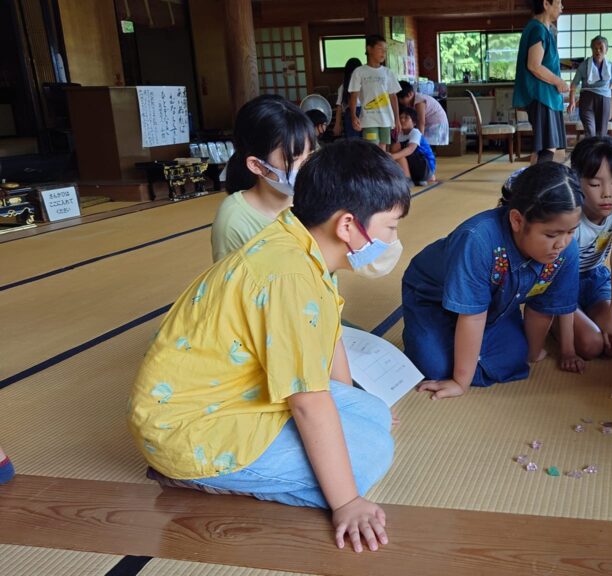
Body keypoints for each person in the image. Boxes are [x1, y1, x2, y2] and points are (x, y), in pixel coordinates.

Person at [129, 140, 411, 552]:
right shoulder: (289, 277)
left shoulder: (301, 242)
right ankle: (192, 475)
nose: (392, 239)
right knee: (369, 455)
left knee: (374, 413)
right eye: (391, 228)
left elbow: (329, 335)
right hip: (189, 427)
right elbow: (308, 402)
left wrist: (352, 406)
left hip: (241, 392)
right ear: (348, 226)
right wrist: (347, 503)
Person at [402, 162, 582, 399]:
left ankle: (467, 344)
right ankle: (428, 334)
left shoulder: (566, 251)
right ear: (517, 220)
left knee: (516, 358)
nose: (562, 244)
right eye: (551, 234)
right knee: (436, 368)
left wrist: (531, 353)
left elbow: (541, 309)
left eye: (571, 231)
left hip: (492, 305)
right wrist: (460, 382)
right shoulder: (477, 239)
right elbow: (473, 317)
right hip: (432, 300)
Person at [212, 95, 317, 262]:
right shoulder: (234, 222)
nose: (307, 166)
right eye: (294, 158)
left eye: (310, 155)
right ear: (257, 165)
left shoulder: (312, 197)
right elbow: (232, 278)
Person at [560, 136, 612, 364]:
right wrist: (567, 350)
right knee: (592, 345)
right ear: (577, 180)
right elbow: (560, 276)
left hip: (595, 278)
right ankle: (552, 319)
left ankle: (584, 316)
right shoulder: (569, 206)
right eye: (594, 184)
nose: (607, 193)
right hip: (560, 282)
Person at [513, 0, 568, 164]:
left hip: (547, 97)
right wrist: (558, 81)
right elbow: (534, 65)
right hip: (542, 96)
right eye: (558, 2)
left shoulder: (543, 29)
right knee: (548, 147)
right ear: (546, 4)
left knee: (545, 147)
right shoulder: (537, 29)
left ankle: (534, 179)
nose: (562, 7)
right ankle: (539, 180)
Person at [349, 36, 401, 150]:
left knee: (382, 149)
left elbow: (393, 97)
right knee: (372, 149)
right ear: (369, 49)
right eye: (380, 49)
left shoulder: (388, 72)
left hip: (386, 119)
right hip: (368, 119)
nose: (383, 53)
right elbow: (354, 96)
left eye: (385, 50)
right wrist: (353, 116)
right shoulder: (359, 72)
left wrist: (397, 119)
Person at [568, 36, 612, 138]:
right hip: (587, 100)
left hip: (604, 100)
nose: (598, 51)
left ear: (606, 50)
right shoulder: (584, 65)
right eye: (595, 48)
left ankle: (599, 149)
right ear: (592, 50)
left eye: (601, 48)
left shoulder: (610, 66)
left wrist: (608, 99)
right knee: (590, 131)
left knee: (601, 133)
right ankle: (590, 148)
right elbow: (574, 84)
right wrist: (572, 101)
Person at [391, 107, 436, 187]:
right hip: (417, 168)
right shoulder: (400, 135)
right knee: (396, 148)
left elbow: (410, 149)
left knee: (400, 154)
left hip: (426, 167)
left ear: (414, 122)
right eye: (401, 118)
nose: (402, 120)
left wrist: (392, 157)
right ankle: (416, 179)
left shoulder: (415, 132)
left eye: (406, 118)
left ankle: (408, 179)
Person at [397, 80, 450, 147]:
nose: (400, 101)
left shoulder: (419, 101)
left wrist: (418, 140)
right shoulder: (412, 101)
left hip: (436, 125)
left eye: (402, 98)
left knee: (425, 146)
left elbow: (421, 122)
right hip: (431, 124)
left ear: (410, 94)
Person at [333, 57, 363, 139]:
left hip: (364, 113)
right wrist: (337, 124)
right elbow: (339, 107)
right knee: (353, 141)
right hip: (350, 115)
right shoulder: (343, 87)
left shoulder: (364, 84)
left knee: (366, 141)